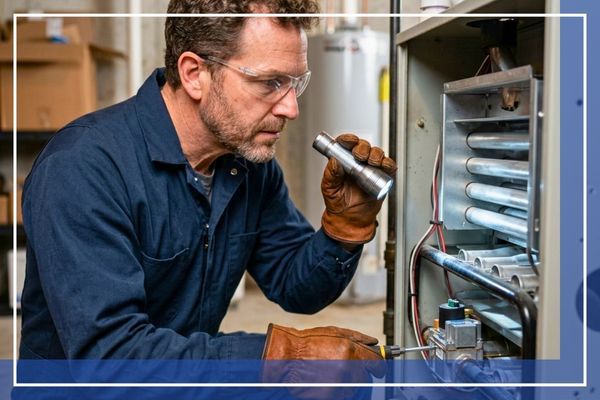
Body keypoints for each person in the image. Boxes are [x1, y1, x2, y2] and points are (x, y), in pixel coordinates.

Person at [19, 0, 396, 382]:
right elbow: (112, 359)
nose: (291, 108)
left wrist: (343, 229)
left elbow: (296, 288)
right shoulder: (83, 168)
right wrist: (280, 357)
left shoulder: (248, 167)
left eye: (296, 82)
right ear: (194, 73)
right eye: (270, 83)